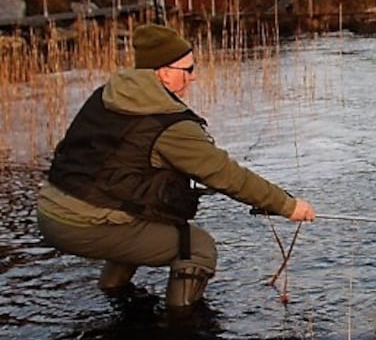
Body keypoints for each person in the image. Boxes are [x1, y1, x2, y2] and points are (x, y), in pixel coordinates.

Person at [36, 23, 315, 310]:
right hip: (82, 226)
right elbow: (227, 175)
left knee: (150, 220)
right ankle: (180, 327)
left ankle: (113, 291)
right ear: (164, 73)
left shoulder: (108, 95)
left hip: (49, 211)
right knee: (197, 246)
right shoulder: (169, 124)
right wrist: (287, 205)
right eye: (189, 69)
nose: (193, 78)